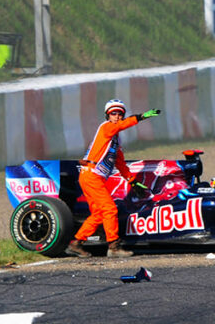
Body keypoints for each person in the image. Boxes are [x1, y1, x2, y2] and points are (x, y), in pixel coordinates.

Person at [67, 99, 160, 258]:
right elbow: (121, 126)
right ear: (107, 115)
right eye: (113, 113)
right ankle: (114, 246)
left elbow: (121, 164)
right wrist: (141, 117)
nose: (117, 116)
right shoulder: (106, 128)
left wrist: (133, 181)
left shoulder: (115, 141)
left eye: (120, 114)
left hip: (92, 176)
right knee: (110, 209)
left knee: (98, 213)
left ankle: (75, 243)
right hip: (91, 175)